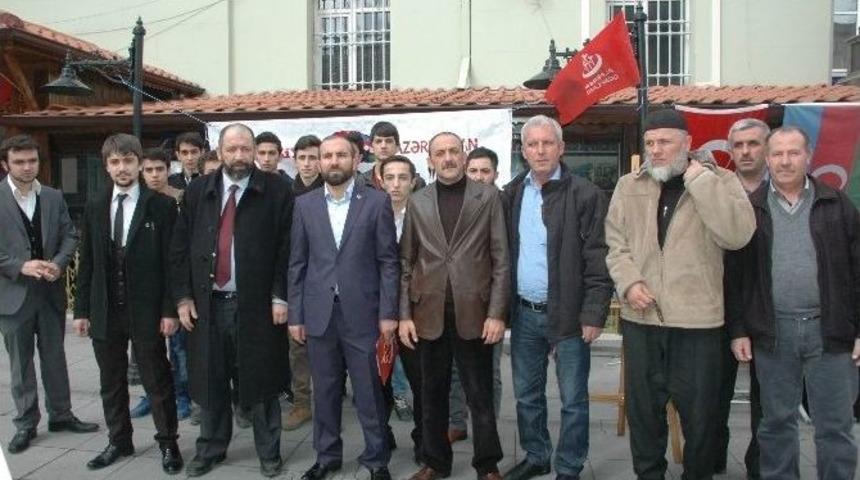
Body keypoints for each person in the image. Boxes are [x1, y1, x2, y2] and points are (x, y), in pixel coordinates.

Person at [605, 109, 755, 480]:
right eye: (651, 143)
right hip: (642, 320)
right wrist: (629, 282)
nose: (656, 150)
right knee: (643, 415)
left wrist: (700, 182)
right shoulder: (629, 185)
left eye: (665, 142)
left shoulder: (722, 181)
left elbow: (737, 235)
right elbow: (615, 244)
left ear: (687, 144)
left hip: (698, 324)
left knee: (701, 419)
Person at [726, 126, 859, 480]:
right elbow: (735, 277)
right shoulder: (749, 209)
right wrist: (738, 329)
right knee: (776, 424)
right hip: (773, 332)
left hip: (829, 330)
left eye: (793, 153)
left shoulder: (836, 204)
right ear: (768, 159)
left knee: (835, 425)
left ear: (808, 155)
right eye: (778, 154)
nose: (785, 161)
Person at [171, 123, 293, 478]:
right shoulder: (198, 191)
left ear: (254, 150)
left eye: (245, 149)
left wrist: (280, 295)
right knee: (211, 379)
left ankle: (269, 452)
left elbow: (288, 249)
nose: (239, 156)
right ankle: (211, 448)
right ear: (220, 151)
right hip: (208, 305)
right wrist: (182, 297)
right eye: (232, 149)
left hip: (258, 306)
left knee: (262, 382)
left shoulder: (276, 190)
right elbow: (179, 249)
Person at [501, 117, 613, 480]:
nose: (540, 150)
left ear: (561, 148)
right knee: (526, 397)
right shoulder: (513, 193)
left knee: (574, 401)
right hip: (524, 314)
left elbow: (598, 258)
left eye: (547, 143)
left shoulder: (585, 194)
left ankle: (569, 466)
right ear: (523, 151)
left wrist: (594, 313)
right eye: (532, 144)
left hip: (569, 316)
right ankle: (537, 455)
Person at [288, 133, 399, 480]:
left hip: (364, 315)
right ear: (319, 162)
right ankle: (327, 457)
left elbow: (388, 262)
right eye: (327, 156)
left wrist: (388, 313)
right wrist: (296, 315)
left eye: (340, 155)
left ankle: (377, 460)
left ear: (355, 160)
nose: (333, 161)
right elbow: (297, 264)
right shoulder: (304, 205)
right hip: (320, 315)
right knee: (326, 391)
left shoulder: (376, 202)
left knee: (369, 393)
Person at [400, 131, 509, 480]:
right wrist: (404, 315)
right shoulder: (418, 201)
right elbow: (406, 263)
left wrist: (496, 313)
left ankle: (487, 464)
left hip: (475, 314)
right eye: (439, 153)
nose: (447, 158)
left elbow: (501, 260)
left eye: (453, 151)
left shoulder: (488, 196)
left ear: (463, 156)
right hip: (427, 313)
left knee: (480, 395)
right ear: (429, 161)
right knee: (432, 395)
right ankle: (435, 462)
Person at [73, 134, 183, 473]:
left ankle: (168, 444)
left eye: (128, 160)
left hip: (147, 310)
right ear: (107, 166)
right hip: (106, 308)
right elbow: (87, 260)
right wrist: (81, 310)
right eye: (115, 162)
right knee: (111, 380)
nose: (122, 168)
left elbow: (172, 263)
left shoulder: (161, 206)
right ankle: (119, 441)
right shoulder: (95, 204)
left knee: (157, 380)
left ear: (138, 162)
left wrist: (169, 310)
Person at [0, 135, 98, 454]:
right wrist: (20, 266)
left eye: (32, 161)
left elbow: (70, 235)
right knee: (21, 364)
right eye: (20, 162)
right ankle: (26, 424)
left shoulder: (54, 196)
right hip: (13, 294)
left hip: (51, 293)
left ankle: (61, 415)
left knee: (55, 357)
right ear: (5, 165)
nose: (28, 167)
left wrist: (58, 263)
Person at [713, 118, 769, 478]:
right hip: (719, 311)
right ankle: (713, 457)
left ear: (766, 148)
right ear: (730, 151)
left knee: (766, 401)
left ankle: (759, 465)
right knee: (713, 397)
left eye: (753, 144)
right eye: (739, 145)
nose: (746, 151)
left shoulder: (781, 193)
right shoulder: (719, 189)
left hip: (767, 311)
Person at [130, 148, 192, 424]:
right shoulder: (135, 202)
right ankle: (151, 394)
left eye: (159, 169)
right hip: (144, 290)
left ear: (169, 170)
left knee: (179, 349)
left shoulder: (182, 199)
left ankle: (182, 396)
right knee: (147, 351)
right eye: (148, 170)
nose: (154, 175)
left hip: (175, 285)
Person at [448, 147, 505, 444]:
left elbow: (503, 261)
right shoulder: (457, 203)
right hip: (455, 303)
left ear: (496, 174)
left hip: (487, 303)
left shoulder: (502, 203)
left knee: (488, 372)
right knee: (455, 369)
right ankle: (456, 422)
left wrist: (497, 310)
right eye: (474, 171)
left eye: (486, 171)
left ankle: (489, 427)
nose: (479, 177)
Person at [379, 155, 424, 461]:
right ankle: (382, 437)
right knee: (377, 379)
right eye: (390, 177)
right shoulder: (368, 211)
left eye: (402, 177)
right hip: (377, 309)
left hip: (416, 312)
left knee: (421, 381)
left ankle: (425, 441)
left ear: (413, 180)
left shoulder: (423, 213)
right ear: (380, 180)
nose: (396, 184)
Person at [284, 134, 324, 432]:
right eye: (303, 158)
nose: (308, 164)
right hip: (296, 278)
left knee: (328, 347)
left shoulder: (334, 190)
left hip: (328, 281)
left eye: (314, 157)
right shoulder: (284, 193)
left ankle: (328, 401)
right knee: (297, 347)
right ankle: (301, 403)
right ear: (294, 160)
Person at [365, 121, 426, 190]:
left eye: (388, 141)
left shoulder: (416, 182)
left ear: (397, 147)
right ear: (371, 147)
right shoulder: (360, 182)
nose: (383, 146)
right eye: (378, 141)